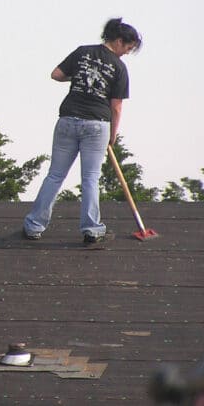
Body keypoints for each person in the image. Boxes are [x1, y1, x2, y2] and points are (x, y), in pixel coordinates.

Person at [23, 18, 142, 244]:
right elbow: (116, 107)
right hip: (97, 125)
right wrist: (112, 134)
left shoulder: (82, 52)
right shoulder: (118, 67)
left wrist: (78, 77)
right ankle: (91, 229)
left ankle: (33, 226)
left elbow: (56, 74)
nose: (126, 53)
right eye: (127, 48)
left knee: (55, 175)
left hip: (68, 119)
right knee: (90, 178)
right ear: (118, 41)